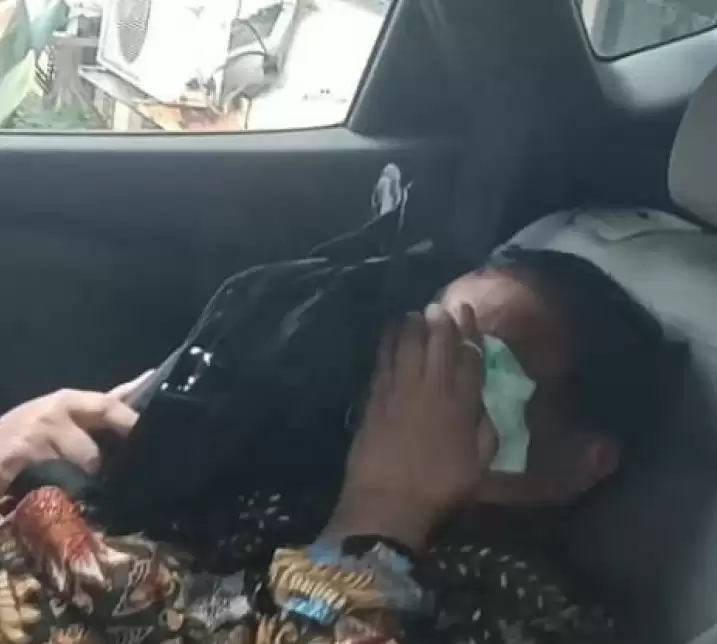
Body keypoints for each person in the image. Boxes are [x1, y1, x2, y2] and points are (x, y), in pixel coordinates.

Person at [0, 248, 680, 644]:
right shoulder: (294, 456)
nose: (414, 378)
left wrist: (381, 518)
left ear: (581, 465)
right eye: (423, 338)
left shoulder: (527, 614)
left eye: (472, 365)